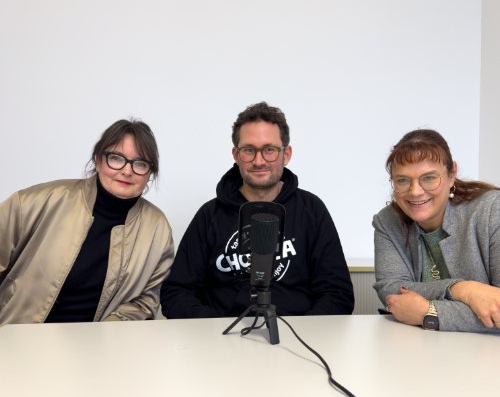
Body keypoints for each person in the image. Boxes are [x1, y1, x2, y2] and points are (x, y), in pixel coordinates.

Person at [161, 101, 354, 318]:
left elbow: (338, 294)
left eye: (269, 150)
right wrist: (217, 330)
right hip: (224, 333)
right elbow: (176, 294)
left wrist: (302, 331)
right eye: (249, 150)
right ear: (236, 155)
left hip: (296, 331)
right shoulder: (209, 215)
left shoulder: (311, 210)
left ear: (286, 154)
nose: (259, 161)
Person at [0, 119, 174, 326]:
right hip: (19, 332)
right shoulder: (34, 202)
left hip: (102, 341)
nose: (127, 171)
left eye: (140, 163)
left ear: (150, 173)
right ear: (98, 160)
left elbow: (147, 299)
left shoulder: (158, 228)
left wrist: (106, 333)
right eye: (116, 158)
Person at [373, 129, 500, 333]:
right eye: (403, 180)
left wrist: (428, 312)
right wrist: (463, 289)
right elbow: (392, 291)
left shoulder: (492, 210)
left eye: (429, 178)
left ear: (452, 174)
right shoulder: (387, 221)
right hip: (416, 346)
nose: (415, 191)